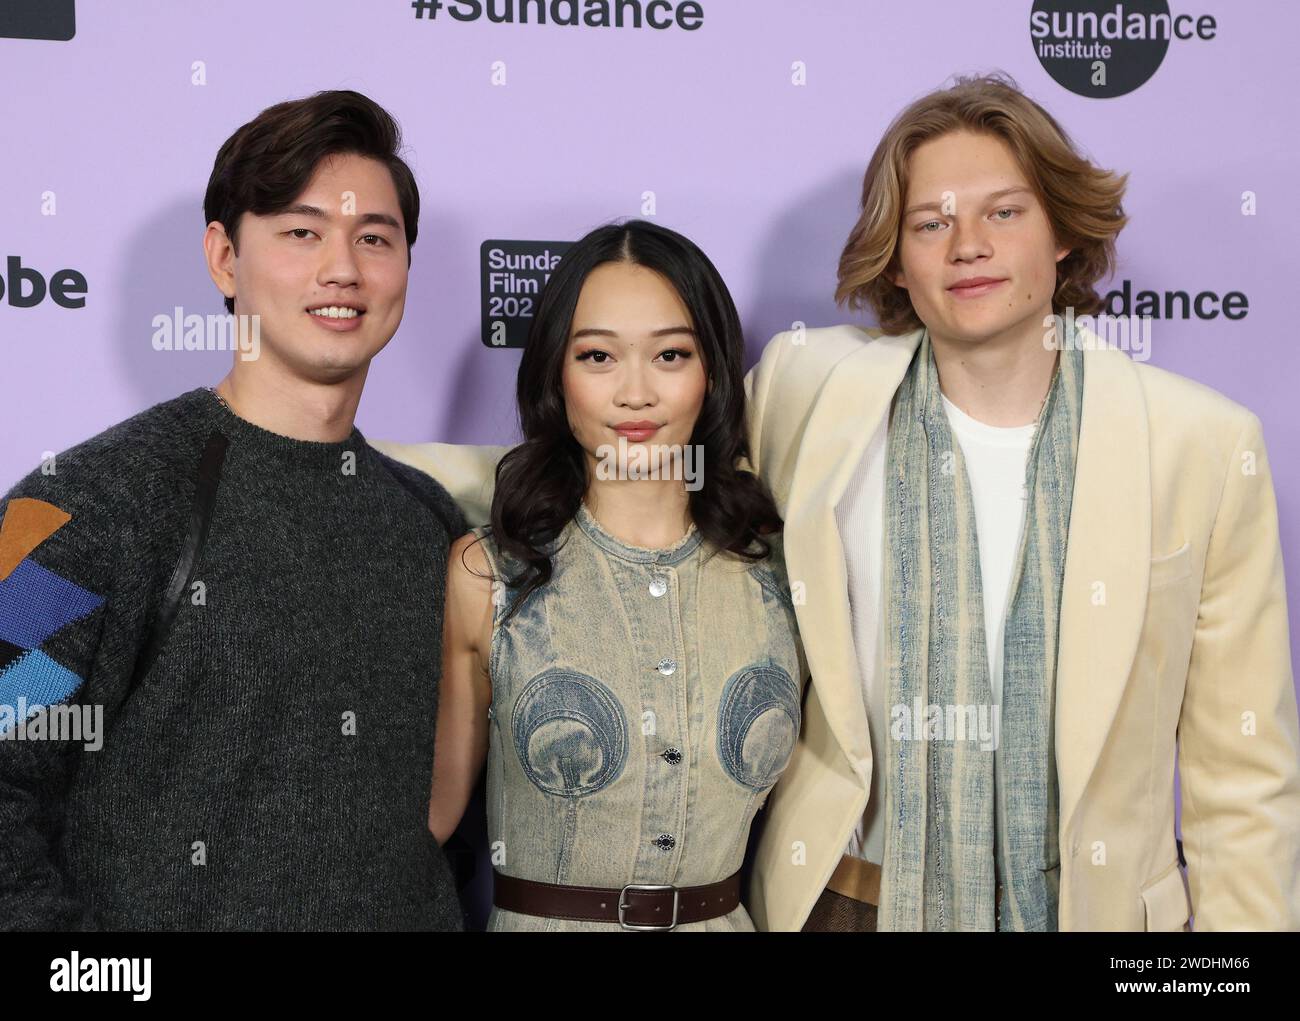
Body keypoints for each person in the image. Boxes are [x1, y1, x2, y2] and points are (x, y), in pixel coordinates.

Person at [378, 73, 1300, 932]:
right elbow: (630, 461)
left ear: (1062, 232)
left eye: (1002, 213)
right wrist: (335, 462)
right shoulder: (811, 391)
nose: (968, 245)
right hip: (846, 905)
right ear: (895, 258)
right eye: (930, 222)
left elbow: (1242, 778)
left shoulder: (1202, 446)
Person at [0, 90, 467, 930]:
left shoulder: (429, 524)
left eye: (374, 237)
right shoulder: (75, 508)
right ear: (223, 258)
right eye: (301, 230)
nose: (343, 268)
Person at [426, 219, 804, 931]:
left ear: (712, 372)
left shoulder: (781, 575)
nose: (636, 393)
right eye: (598, 356)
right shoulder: (487, 575)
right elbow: (430, 820)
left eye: (670, 354)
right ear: (555, 376)